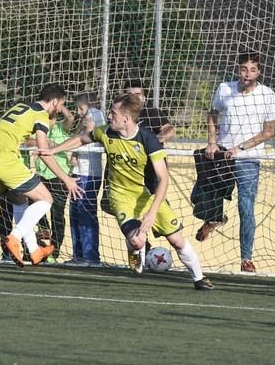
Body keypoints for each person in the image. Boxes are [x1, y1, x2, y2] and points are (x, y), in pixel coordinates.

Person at [40, 93, 213, 290]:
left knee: (177, 240)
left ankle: (199, 279)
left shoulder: (147, 140)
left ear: (126, 118)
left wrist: (152, 212)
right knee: (138, 240)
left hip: (147, 195)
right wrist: (53, 150)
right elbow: (81, 139)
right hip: (120, 196)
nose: (109, 116)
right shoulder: (105, 133)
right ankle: (134, 249)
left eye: (113, 113)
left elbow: (163, 179)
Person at [0, 83, 82, 267]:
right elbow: (44, 151)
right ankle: (15, 237)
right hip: (5, 162)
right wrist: (66, 179)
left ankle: (34, 251)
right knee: (46, 199)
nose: (59, 110)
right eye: (61, 105)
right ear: (54, 101)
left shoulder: (20, 107)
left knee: (20, 201)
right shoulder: (41, 115)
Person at [203, 52, 275, 273]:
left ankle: (246, 258)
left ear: (259, 72)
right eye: (244, 69)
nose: (248, 74)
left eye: (252, 70)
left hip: (247, 159)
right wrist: (212, 142)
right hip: (222, 156)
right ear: (238, 69)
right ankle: (215, 218)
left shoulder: (267, 94)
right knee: (205, 194)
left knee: (245, 206)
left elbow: (269, 131)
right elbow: (212, 114)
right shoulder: (224, 89)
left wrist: (241, 148)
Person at [31, 105, 75, 262]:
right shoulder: (37, 130)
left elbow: (70, 118)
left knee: (57, 215)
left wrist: (59, 105)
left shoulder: (60, 128)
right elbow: (26, 140)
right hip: (41, 175)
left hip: (58, 177)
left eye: (51, 118)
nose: (49, 121)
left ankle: (54, 251)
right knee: (33, 202)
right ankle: (43, 231)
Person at [67, 92, 106, 265]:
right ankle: (79, 255)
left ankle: (91, 256)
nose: (79, 111)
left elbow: (90, 136)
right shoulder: (85, 118)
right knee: (75, 213)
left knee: (85, 212)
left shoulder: (95, 114)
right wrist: (75, 152)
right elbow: (80, 136)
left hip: (89, 173)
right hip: (78, 171)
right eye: (77, 108)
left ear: (91, 104)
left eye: (81, 107)